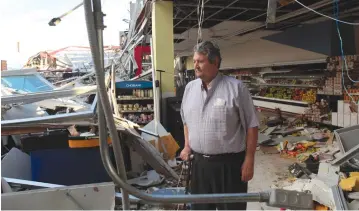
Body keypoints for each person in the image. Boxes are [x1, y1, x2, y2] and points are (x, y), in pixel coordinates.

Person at [180, 41, 259, 210]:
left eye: (200, 61)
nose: (196, 65)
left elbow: (252, 125)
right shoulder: (189, 89)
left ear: (215, 62)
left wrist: (249, 159)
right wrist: (187, 146)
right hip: (199, 165)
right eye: (194, 61)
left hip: (229, 166)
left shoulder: (236, 88)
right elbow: (186, 121)